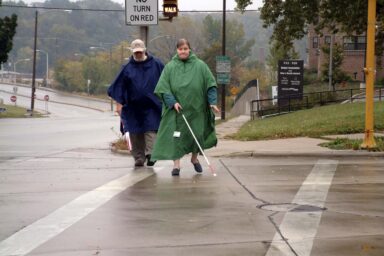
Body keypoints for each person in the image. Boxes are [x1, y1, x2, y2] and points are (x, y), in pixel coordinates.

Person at [151, 38, 220, 176]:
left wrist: (212, 102)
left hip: (197, 109)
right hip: (177, 111)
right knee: (176, 137)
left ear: (189, 50)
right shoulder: (170, 67)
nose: (183, 51)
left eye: (185, 49)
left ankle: (194, 159)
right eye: (180, 49)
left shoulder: (200, 66)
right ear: (177, 50)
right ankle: (176, 166)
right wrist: (172, 102)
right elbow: (163, 88)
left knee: (197, 135)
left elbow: (210, 85)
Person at [108, 39, 164, 167]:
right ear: (132, 52)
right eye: (136, 52)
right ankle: (139, 157)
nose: (138, 54)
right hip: (132, 107)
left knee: (151, 130)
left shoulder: (156, 64)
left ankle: (151, 155)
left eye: (140, 52)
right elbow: (119, 86)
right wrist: (119, 104)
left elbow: (166, 80)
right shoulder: (127, 68)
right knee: (134, 132)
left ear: (144, 50)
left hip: (152, 105)